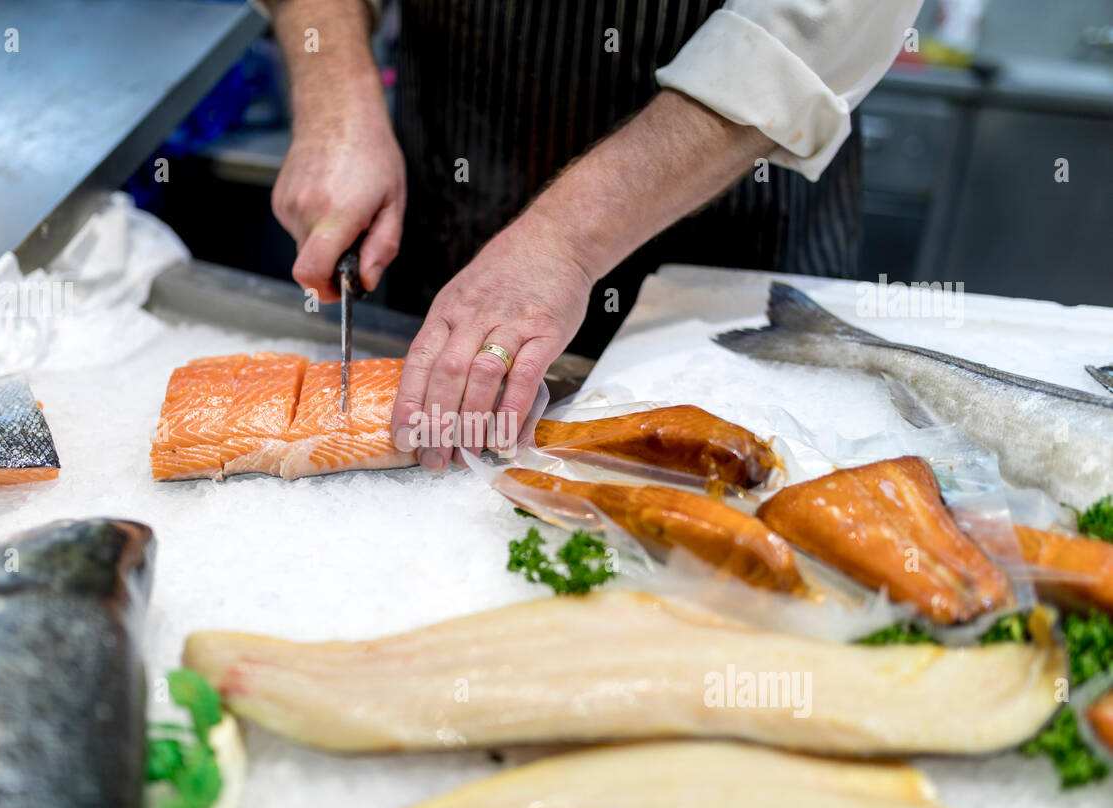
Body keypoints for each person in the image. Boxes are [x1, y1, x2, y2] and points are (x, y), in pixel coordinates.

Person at [261, 0, 923, 469]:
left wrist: (566, 239)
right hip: (450, 164)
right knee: (437, 465)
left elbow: (831, 18)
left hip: (727, 208)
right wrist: (335, 102)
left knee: (744, 476)